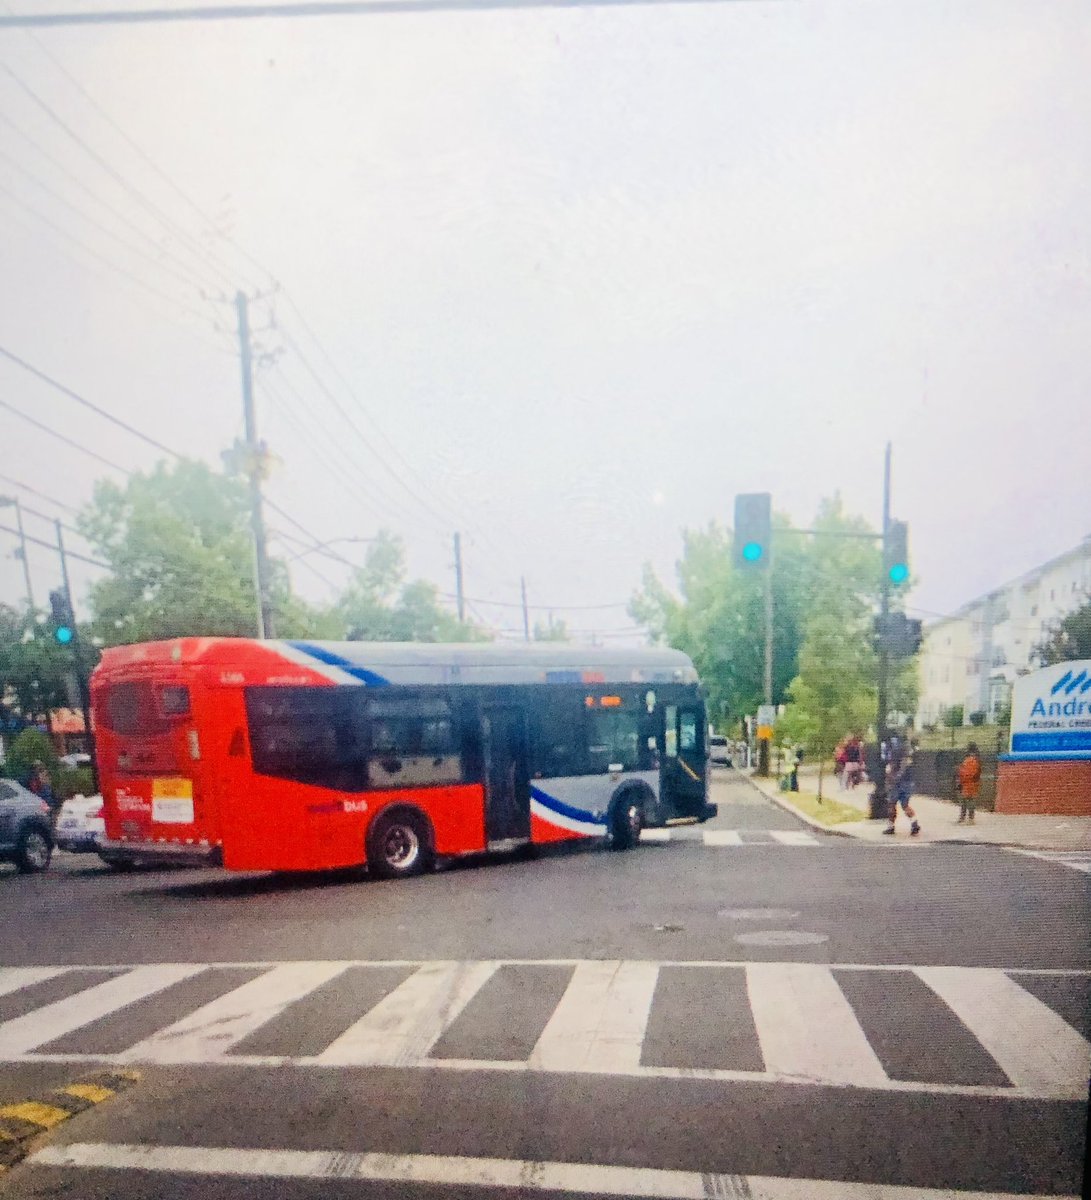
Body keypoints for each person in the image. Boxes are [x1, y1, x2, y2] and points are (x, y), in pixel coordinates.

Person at [883, 738, 921, 836]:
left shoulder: (894, 756)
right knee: (905, 805)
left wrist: (892, 779)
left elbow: (891, 769)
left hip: (896, 784)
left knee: (891, 804)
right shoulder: (908, 758)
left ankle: (891, 827)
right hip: (908, 783)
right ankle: (914, 823)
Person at [956, 742, 982, 825]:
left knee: (966, 801)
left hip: (967, 783)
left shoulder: (970, 760)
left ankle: (965, 818)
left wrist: (961, 777)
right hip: (972, 783)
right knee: (970, 801)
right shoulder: (976, 760)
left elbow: (966, 772)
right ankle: (969, 818)